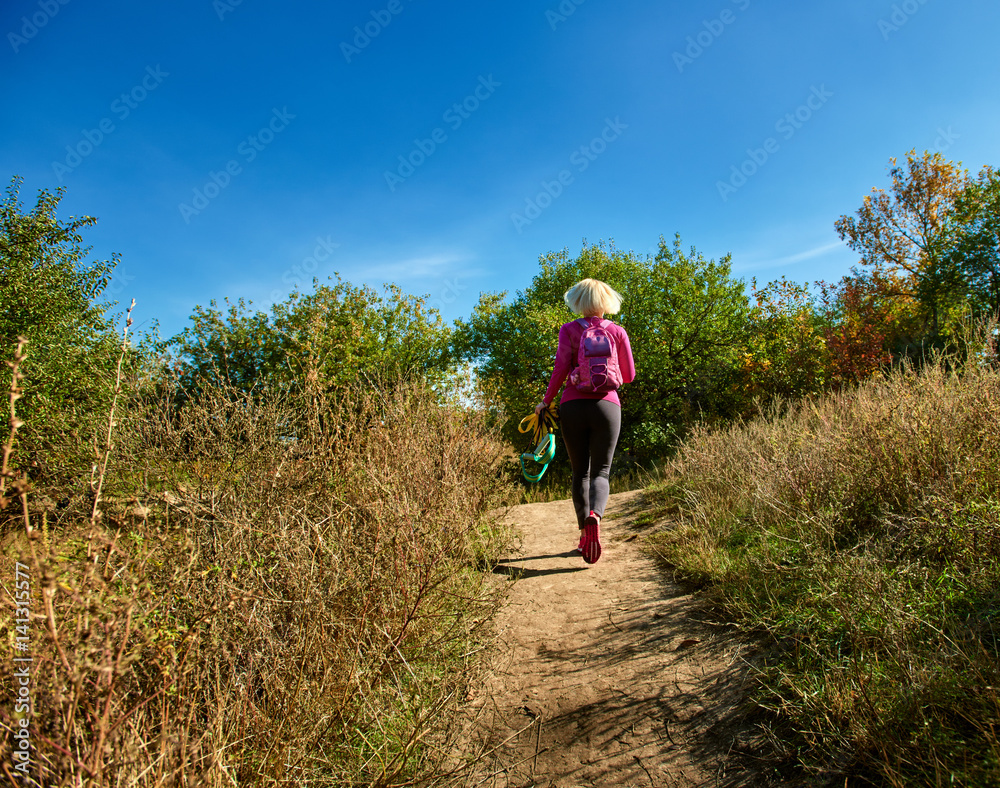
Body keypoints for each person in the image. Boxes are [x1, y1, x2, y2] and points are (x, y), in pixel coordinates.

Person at [535, 278, 636, 564]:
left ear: (577, 302)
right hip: (607, 406)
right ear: (607, 301)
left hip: (573, 405)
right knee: (601, 472)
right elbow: (629, 376)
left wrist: (546, 401)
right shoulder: (617, 331)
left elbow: (559, 368)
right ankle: (596, 517)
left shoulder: (568, 330)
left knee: (580, 473)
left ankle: (583, 536)